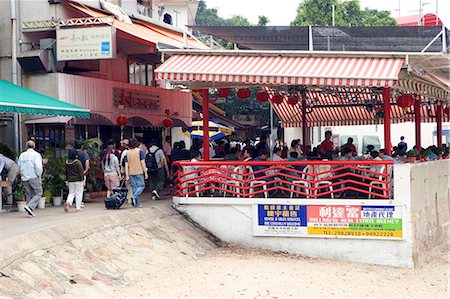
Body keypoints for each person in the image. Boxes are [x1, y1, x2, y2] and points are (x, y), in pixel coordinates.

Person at [17, 140, 43, 217]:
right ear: (34, 146)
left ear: (26, 146)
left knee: (29, 194)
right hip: (33, 176)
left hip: (24, 177)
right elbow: (38, 167)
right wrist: (39, 175)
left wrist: (22, 175)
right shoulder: (36, 155)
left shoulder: (22, 155)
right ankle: (30, 207)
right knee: (39, 192)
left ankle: (30, 211)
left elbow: (19, 167)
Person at [125, 138, 148, 208]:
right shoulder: (139, 151)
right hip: (139, 171)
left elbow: (126, 164)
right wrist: (145, 172)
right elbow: (142, 162)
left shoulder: (127, 153)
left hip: (131, 172)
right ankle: (134, 196)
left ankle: (136, 204)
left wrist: (127, 175)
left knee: (134, 187)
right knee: (141, 186)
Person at [119, 139, 133, 204]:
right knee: (132, 184)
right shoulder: (134, 151)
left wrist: (122, 171)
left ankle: (128, 197)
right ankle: (131, 197)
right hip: (134, 170)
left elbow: (122, 162)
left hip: (126, 170)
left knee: (128, 185)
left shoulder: (124, 152)